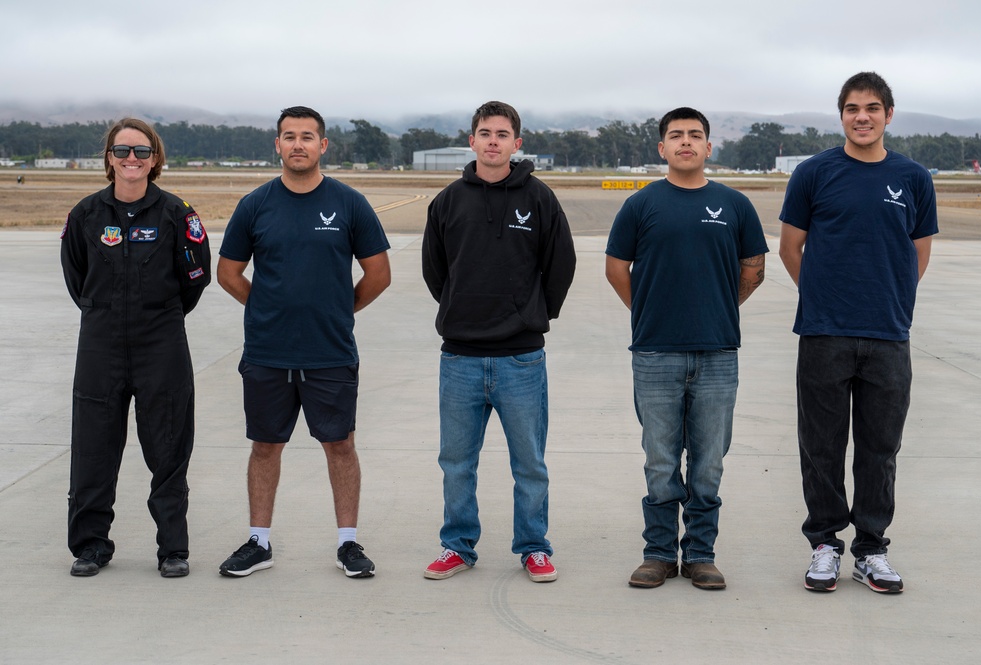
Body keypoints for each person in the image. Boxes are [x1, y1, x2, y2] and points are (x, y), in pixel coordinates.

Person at [216, 106, 391, 579]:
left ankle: (348, 544)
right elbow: (228, 273)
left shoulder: (350, 203)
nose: (298, 144)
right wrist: (265, 308)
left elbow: (379, 274)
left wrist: (338, 310)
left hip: (329, 352)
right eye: (289, 136)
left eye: (307, 136)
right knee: (265, 446)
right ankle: (259, 541)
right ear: (277, 144)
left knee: (340, 446)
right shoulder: (255, 204)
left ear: (323, 145)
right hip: (268, 352)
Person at [779, 72, 937, 594]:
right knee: (821, 445)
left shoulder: (913, 177)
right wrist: (824, 298)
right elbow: (790, 247)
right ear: (841, 115)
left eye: (872, 108)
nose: (862, 116)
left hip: (888, 335)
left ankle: (871, 548)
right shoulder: (813, 172)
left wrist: (889, 299)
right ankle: (825, 543)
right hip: (824, 334)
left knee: (880, 447)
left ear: (889, 114)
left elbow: (919, 251)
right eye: (852, 108)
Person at [605, 107, 767, 591]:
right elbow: (616, 267)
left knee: (709, 461)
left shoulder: (735, 204)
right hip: (655, 352)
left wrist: (719, 306)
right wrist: (647, 311)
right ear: (662, 148)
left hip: (718, 353)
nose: (686, 142)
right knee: (660, 459)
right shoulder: (641, 203)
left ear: (708, 147)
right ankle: (657, 554)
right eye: (675, 136)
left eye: (695, 135)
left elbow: (753, 269)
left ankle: (700, 554)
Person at [421, 101, 576, 582]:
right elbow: (434, 270)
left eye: (502, 134)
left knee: (529, 463)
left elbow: (561, 265)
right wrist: (459, 308)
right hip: (461, 358)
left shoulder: (539, 199)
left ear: (517, 143)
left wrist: (532, 315)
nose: (493, 141)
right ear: (471, 140)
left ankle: (533, 546)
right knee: (456, 463)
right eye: (484, 133)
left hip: (521, 358)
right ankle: (457, 546)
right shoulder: (447, 201)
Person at [61, 118, 211, 578]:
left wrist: (157, 316)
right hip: (100, 347)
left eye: (141, 152)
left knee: (168, 449)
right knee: (93, 450)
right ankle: (91, 545)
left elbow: (195, 278)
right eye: (122, 151)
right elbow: (76, 278)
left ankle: (172, 550)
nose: (132, 160)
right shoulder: (85, 215)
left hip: (160, 346)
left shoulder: (177, 214)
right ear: (108, 158)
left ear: (155, 159)